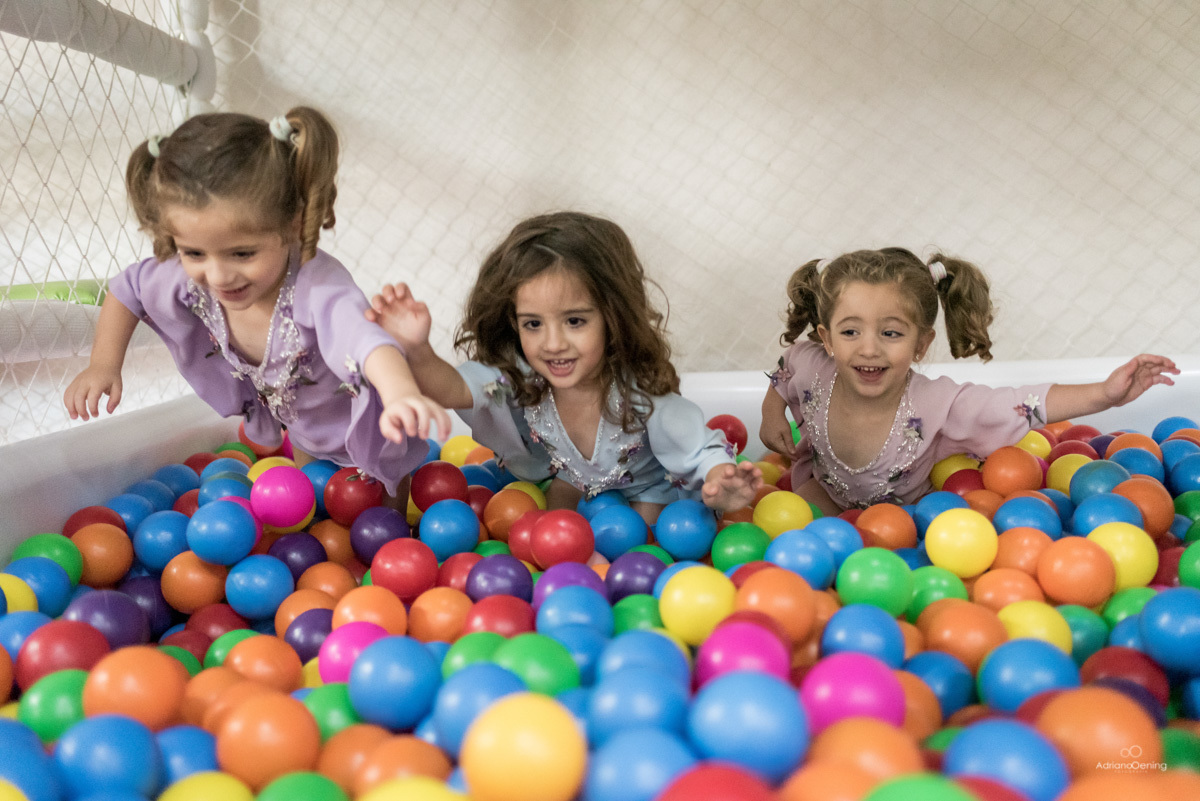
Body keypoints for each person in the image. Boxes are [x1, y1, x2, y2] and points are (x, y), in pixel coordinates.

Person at [63, 107, 449, 502]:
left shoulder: (316, 285)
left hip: (368, 430)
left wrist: (400, 394)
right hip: (300, 429)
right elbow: (129, 289)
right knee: (312, 506)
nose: (217, 276)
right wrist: (104, 364)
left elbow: (366, 339)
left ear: (294, 224)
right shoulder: (188, 272)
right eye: (194, 252)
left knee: (380, 520)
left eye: (243, 254)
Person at [366, 211, 763, 523]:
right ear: (514, 322)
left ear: (612, 315)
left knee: (646, 545)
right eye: (533, 324)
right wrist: (417, 350)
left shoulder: (638, 393)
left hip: (647, 489)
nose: (553, 343)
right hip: (573, 482)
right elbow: (454, 388)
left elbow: (696, 442)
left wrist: (718, 480)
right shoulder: (522, 379)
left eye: (575, 321)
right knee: (547, 533)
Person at [760, 247, 1178, 514]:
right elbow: (787, 367)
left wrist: (1105, 393)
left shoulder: (937, 403)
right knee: (790, 523)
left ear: (922, 344)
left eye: (890, 333)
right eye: (851, 332)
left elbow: (1023, 402)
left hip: (907, 521)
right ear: (826, 338)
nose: (869, 348)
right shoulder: (813, 365)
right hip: (826, 498)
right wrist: (770, 410)